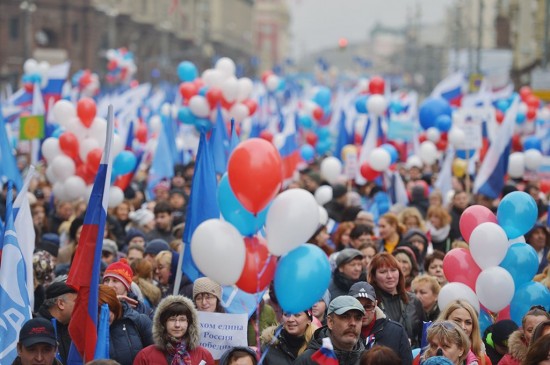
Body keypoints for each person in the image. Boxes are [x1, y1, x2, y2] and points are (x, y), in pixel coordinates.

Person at [133, 295, 215, 364]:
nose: (177, 325)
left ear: (189, 323)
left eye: (182, 320)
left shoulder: (203, 355)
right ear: (163, 323)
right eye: (172, 319)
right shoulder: (145, 356)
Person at [349, 281, 413, 365]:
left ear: (375, 304)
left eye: (368, 306)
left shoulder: (396, 331)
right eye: (358, 306)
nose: (363, 312)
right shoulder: (342, 332)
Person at [368, 252, 424, 348]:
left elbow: (423, 336)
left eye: (393, 270)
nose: (390, 276)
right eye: (383, 272)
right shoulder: (370, 304)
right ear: (374, 277)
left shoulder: (414, 301)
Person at [294, 295, 366, 365]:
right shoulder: (308, 361)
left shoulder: (367, 360)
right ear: (330, 322)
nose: (353, 323)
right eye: (345, 317)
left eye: (358, 318)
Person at [97, 285, 153, 365]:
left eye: (110, 307)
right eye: (99, 310)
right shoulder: (88, 330)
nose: (107, 314)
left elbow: (156, 356)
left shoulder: (137, 321)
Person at [35, 276, 77, 364]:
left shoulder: (73, 328)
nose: (81, 306)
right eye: (77, 301)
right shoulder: (36, 328)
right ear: (61, 303)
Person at [438, 300, 491, 365]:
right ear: (444, 321)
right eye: (457, 321)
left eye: (468, 322)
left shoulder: (482, 360)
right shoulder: (431, 353)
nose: (463, 327)